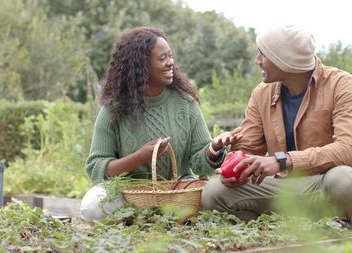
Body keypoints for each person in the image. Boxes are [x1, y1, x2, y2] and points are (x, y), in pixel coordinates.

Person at [201, 25, 352, 224]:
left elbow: (350, 150)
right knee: (214, 192)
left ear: (284, 61)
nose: (257, 60)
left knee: (343, 180)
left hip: (324, 185)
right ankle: (280, 227)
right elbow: (247, 148)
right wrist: (235, 170)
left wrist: (282, 161)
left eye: (263, 54)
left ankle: (351, 224)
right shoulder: (262, 94)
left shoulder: (342, 84)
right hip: (285, 189)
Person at [80, 27, 241, 221]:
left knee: (217, 196)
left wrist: (214, 148)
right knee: (92, 206)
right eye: (162, 58)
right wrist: (138, 157)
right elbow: (97, 167)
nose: (170, 63)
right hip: (131, 196)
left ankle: (156, 219)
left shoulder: (185, 103)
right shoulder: (114, 110)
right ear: (141, 66)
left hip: (179, 194)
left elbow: (200, 162)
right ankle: (143, 217)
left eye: (170, 56)